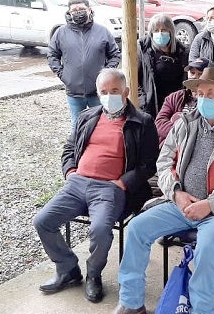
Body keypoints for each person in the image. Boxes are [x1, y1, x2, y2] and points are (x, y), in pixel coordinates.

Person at [114, 67, 214, 314]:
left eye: (211, 93)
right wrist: (176, 193)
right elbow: (163, 162)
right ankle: (131, 302)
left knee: (205, 248)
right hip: (181, 204)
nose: (204, 99)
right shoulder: (185, 122)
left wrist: (210, 204)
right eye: (200, 93)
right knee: (138, 228)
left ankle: (201, 310)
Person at [33, 69, 158, 303]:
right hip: (77, 182)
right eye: (104, 92)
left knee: (100, 230)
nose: (109, 96)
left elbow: (149, 164)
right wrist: (70, 172)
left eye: (114, 91)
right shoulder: (86, 117)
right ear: (98, 94)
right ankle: (67, 269)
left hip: (110, 188)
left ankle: (93, 274)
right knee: (43, 221)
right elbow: (69, 149)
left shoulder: (142, 121)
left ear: (126, 92)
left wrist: (122, 183)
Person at [49, 0, 121, 128]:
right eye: (74, 10)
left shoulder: (102, 31)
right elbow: (52, 55)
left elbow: (115, 55)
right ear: (69, 13)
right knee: (77, 125)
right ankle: (78, 148)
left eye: (81, 9)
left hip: (99, 91)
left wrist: (104, 74)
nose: (78, 13)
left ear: (89, 9)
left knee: (102, 124)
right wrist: (64, 75)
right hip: (74, 91)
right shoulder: (61, 33)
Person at [137, 14, 189, 118]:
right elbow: (134, 79)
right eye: (156, 30)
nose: (160, 33)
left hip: (175, 104)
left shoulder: (182, 51)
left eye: (163, 30)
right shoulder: (142, 49)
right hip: (152, 104)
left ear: (171, 31)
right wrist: (143, 101)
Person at [155, 58, 208, 145]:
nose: (195, 77)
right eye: (192, 73)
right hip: (170, 148)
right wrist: (185, 131)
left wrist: (176, 121)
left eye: (200, 74)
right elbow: (159, 124)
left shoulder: (212, 101)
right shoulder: (174, 97)